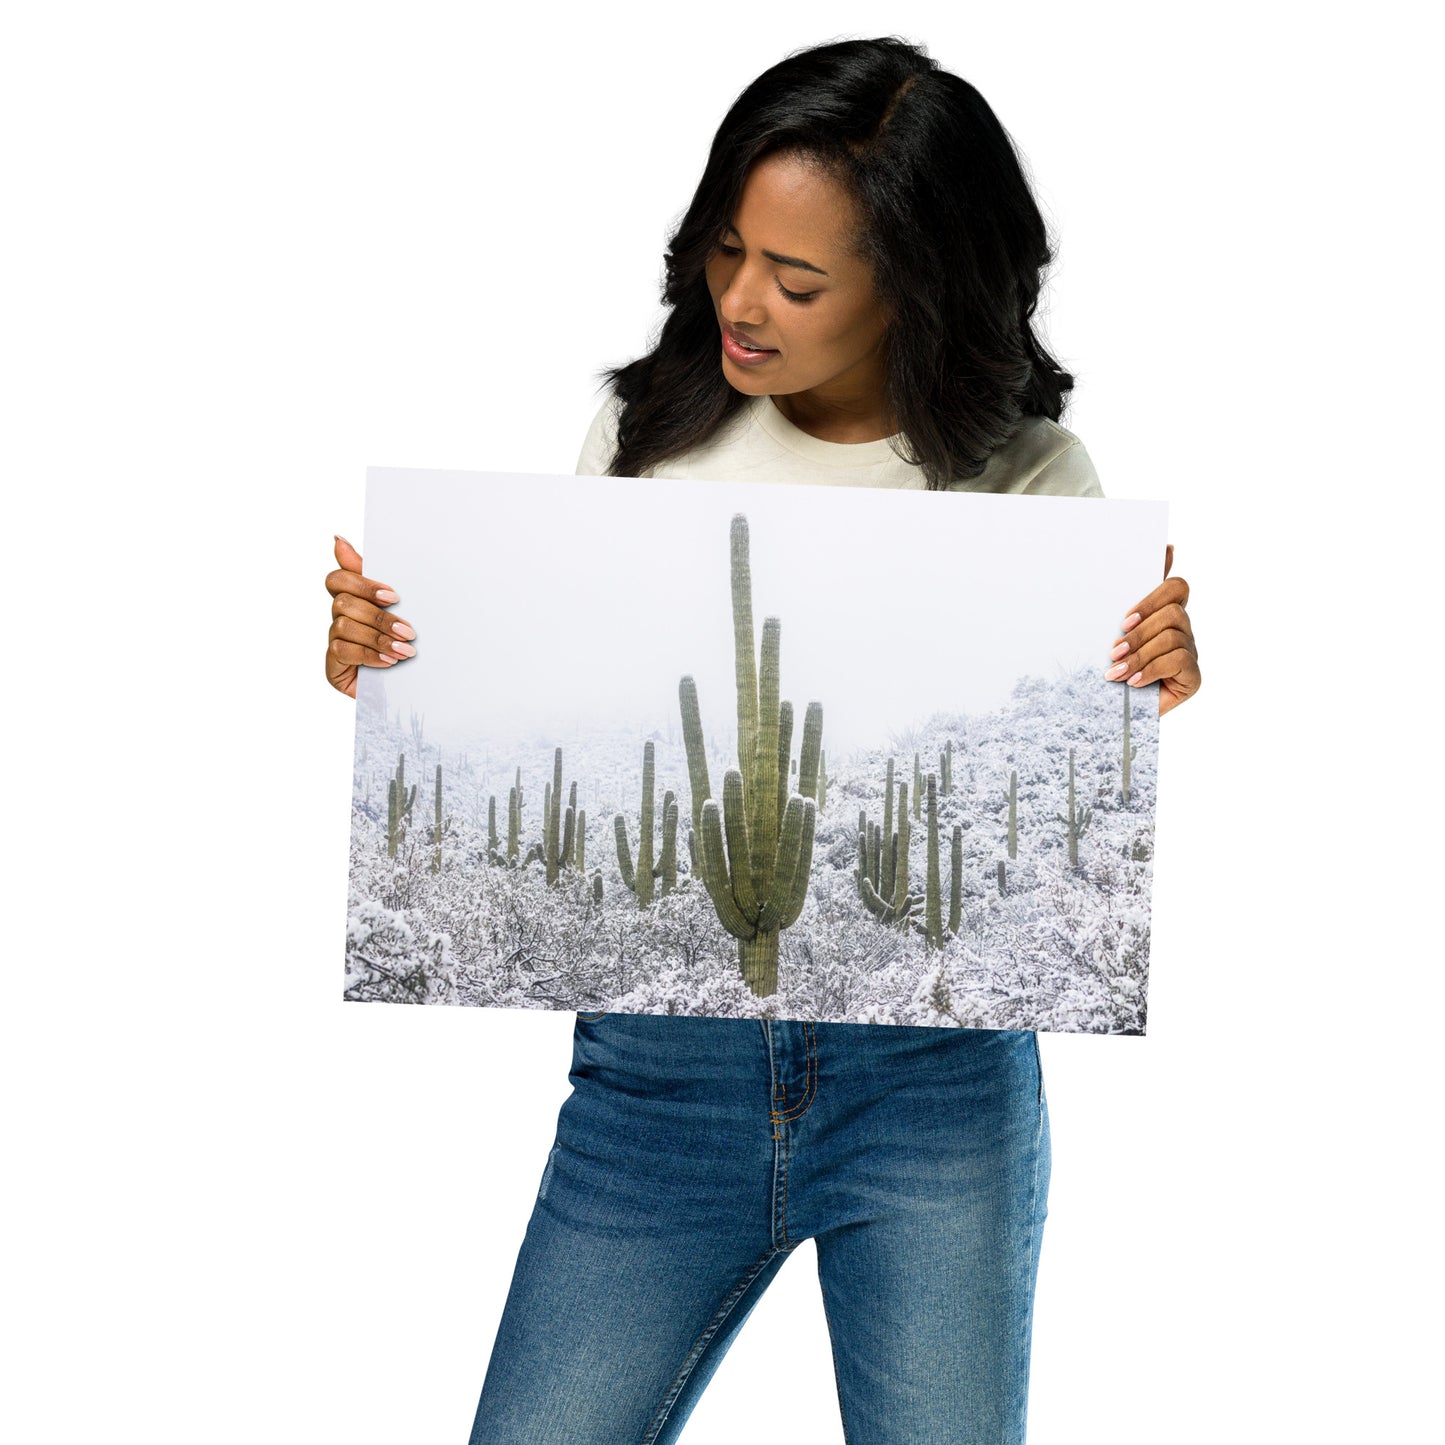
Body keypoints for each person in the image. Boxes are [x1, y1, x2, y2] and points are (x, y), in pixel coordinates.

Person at [325, 36, 1200, 1444]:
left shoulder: (1035, 476)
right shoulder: (642, 432)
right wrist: (398, 671)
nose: (741, 300)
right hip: (653, 1086)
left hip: (929, 1092)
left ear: (912, 285)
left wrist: (1145, 686)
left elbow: (1053, 799)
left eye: (796, 280)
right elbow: (574, 725)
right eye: (728, 250)